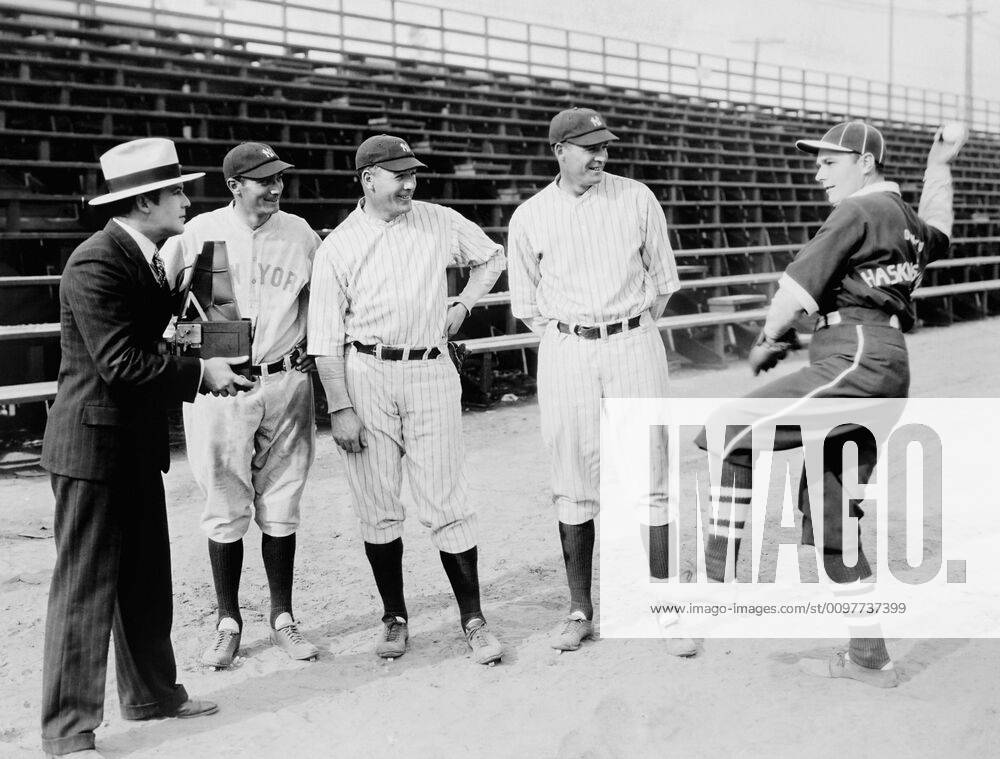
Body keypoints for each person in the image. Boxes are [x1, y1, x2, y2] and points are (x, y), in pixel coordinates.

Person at [693, 120, 964, 687]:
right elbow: (941, 224)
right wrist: (939, 165)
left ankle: (711, 594)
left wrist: (769, 340)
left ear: (865, 163)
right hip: (886, 362)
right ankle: (870, 659)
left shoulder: (858, 211)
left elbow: (792, 296)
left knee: (730, 431)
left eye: (830, 161)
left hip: (855, 354)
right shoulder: (906, 220)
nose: (818, 172)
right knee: (832, 514)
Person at [39, 138, 252, 759]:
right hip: (90, 449)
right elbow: (121, 363)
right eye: (177, 191)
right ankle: (67, 731)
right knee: (83, 587)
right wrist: (202, 372)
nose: (187, 200)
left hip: (131, 445)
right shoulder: (95, 262)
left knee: (145, 577)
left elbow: (167, 333)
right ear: (144, 201)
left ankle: (153, 695)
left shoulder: (150, 257)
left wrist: (213, 329)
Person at [308, 134, 506, 665]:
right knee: (377, 503)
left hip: (431, 368)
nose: (410, 183)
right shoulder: (339, 245)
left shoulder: (438, 219)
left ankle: (474, 618)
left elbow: (492, 257)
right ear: (368, 179)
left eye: (413, 174)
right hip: (367, 371)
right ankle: (394, 616)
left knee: (448, 499)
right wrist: (340, 407)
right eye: (399, 175)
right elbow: (324, 339)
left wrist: (464, 302)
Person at [507, 107, 695, 656]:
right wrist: (576, 332)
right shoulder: (530, 215)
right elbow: (527, 305)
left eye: (605, 146)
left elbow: (662, 284)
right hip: (567, 348)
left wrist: (625, 326)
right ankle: (578, 608)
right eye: (588, 147)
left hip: (633, 339)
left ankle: (664, 607)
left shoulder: (637, 198)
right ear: (559, 151)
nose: (600, 156)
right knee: (572, 478)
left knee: (651, 474)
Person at [161, 142, 322, 668]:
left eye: (279, 179)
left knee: (282, 500)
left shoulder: (300, 234)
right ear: (235, 185)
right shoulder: (197, 233)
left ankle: (283, 617)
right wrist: (190, 352)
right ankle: (228, 619)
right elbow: (156, 300)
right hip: (219, 382)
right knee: (224, 505)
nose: (275, 187)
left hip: (283, 380)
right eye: (263, 180)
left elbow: (323, 303)